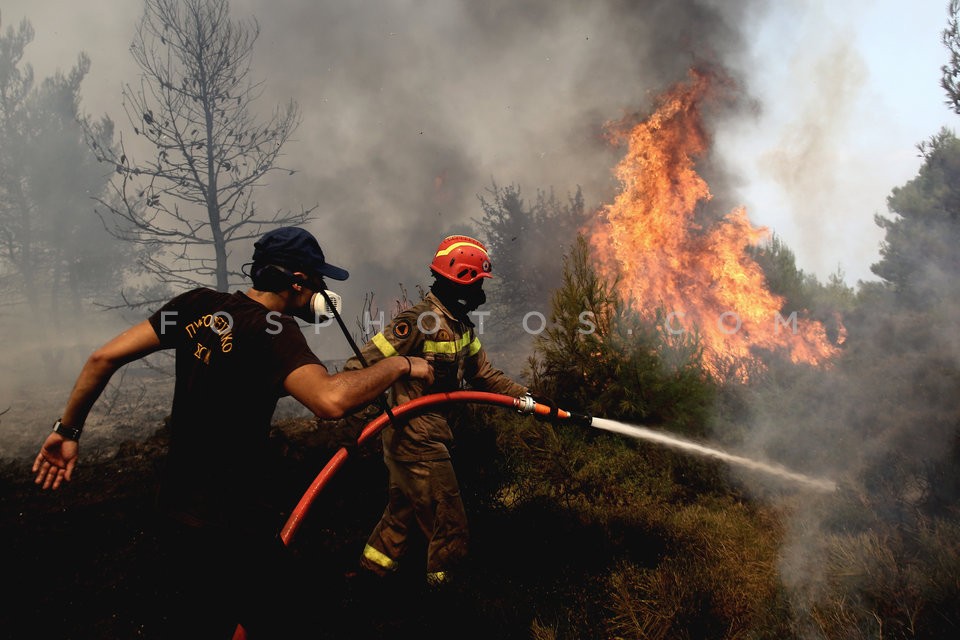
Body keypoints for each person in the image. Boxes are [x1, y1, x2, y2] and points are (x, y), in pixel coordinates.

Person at [31, 226, 434, 638]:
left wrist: (68, 431)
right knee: (291, 618)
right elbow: (329, 400)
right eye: (319, 279)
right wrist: (401, 365)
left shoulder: (196, 305)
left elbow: (102, 358)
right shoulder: (276, 331)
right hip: (232, 526)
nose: (323, 289)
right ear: (300, 282)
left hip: (173, 511)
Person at [341, 234, 528, 590]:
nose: (480, 294)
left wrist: (530, 399)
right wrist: (404, 368)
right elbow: (358, 367)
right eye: (477, 283)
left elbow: (484, 374)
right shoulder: (417, 322)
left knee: (402, 511)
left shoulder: (458, 326)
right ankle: (449, 595)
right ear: (460, 281)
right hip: (415, 438)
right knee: (449, 521)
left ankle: (368, 579)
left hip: (428, 435)